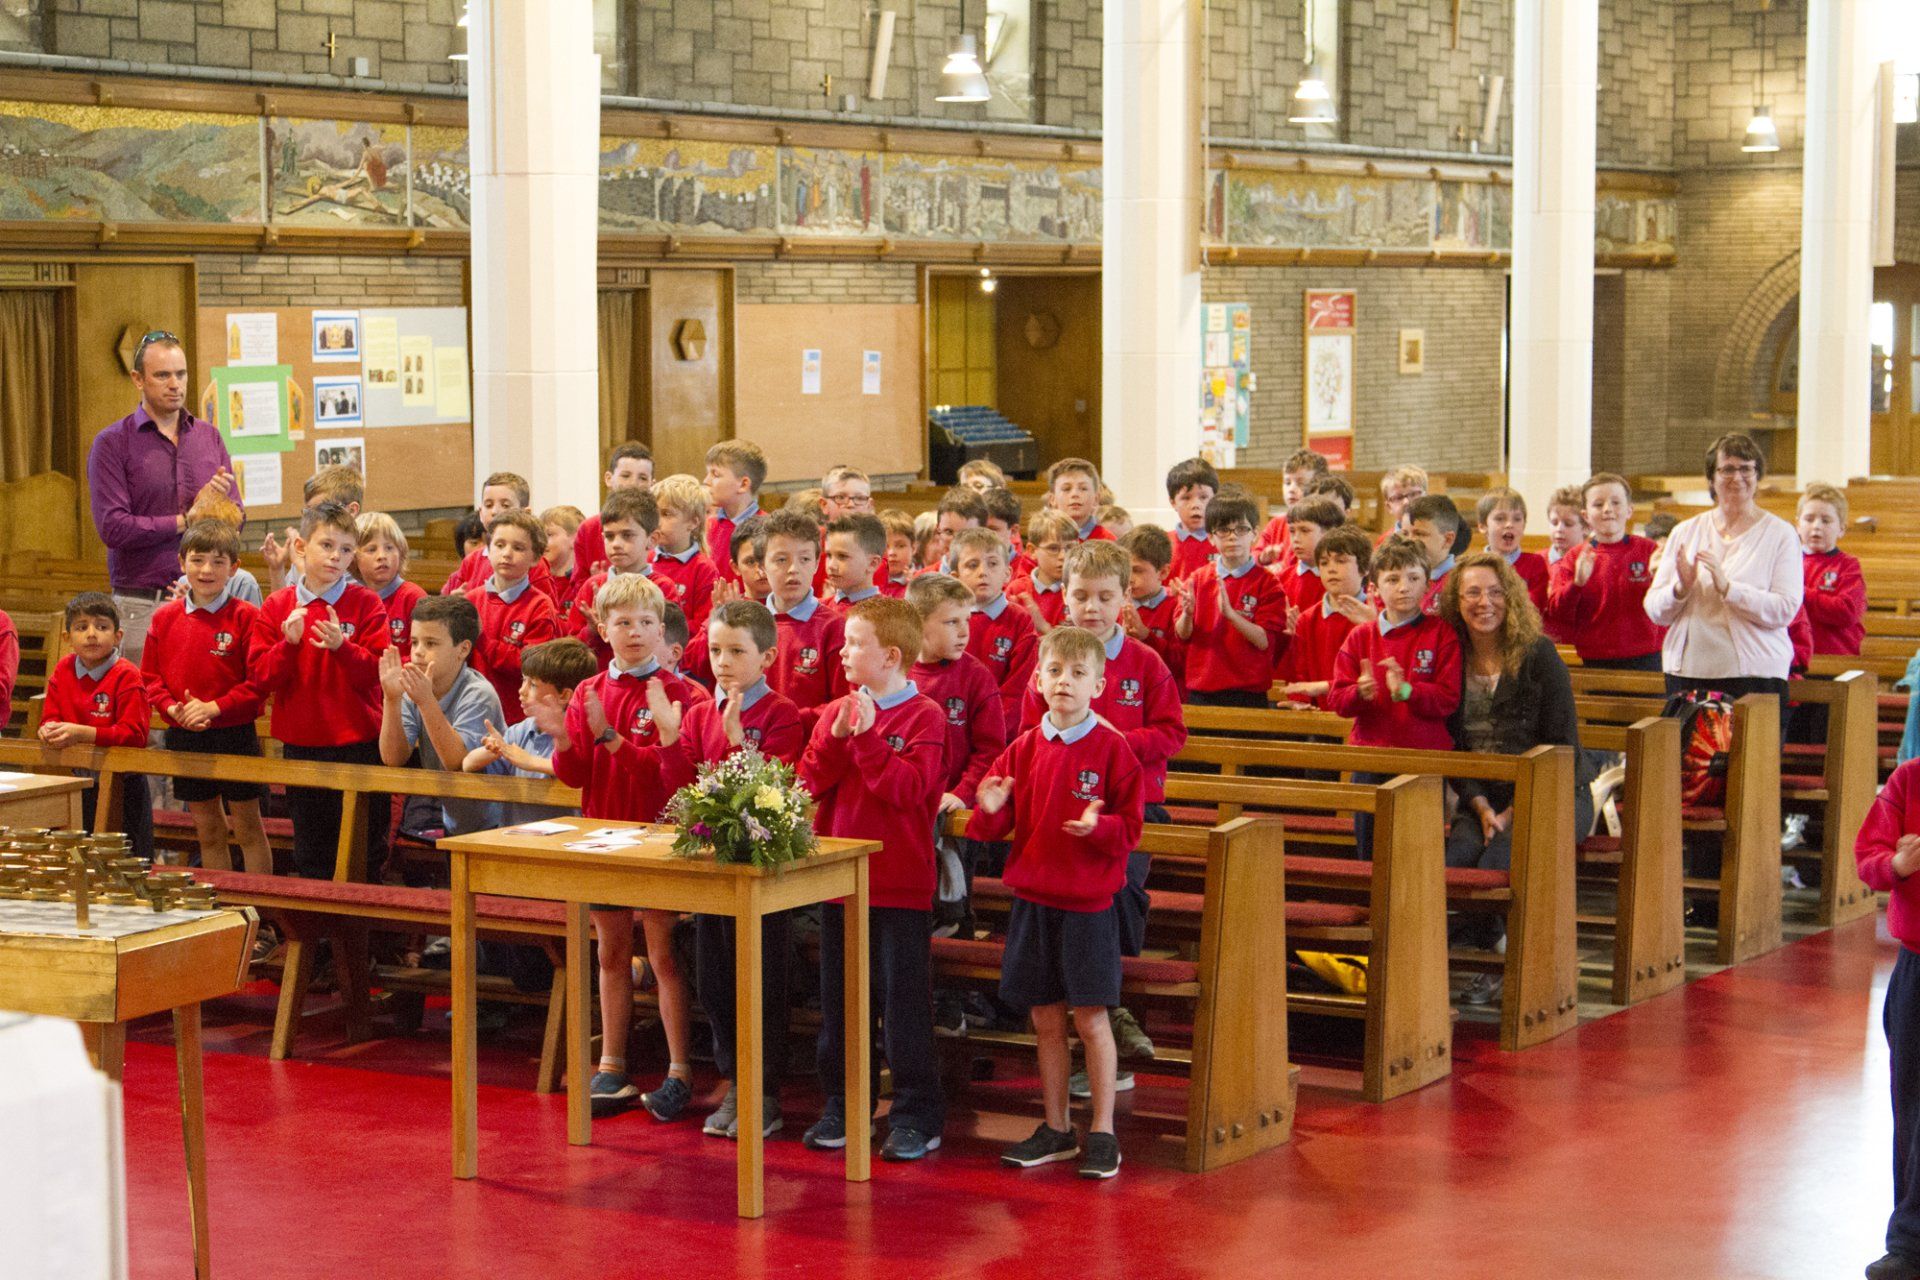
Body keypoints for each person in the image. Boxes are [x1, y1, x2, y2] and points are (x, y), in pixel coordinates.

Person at [968, 624, 1144, 1181]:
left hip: (1088, 906)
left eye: (1077, 673)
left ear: (1099, 685)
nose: (1064, 681)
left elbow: (1131, 828)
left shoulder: (1113, 749)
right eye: (1054, 671)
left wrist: (1099, 828)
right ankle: (1057, 1127)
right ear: (1038, 682)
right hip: (1033, 901)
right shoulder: (1022, 748)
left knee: (1091, 1018)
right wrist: (990, 809)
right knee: (1045, 1018)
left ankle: (1103, 1131)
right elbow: (990, 827)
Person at [1019, 540, 1184, 1089]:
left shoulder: (1144, 662)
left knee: (1119, 899)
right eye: (1081, 595)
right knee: (1060, 918)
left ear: (1124, 598)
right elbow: (1028, 733)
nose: (1092, 607)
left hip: (1132, 809)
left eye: (1105, 597)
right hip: (1060, 814)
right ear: (1063, 597)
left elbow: (1172, 733)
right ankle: (1091, 1027)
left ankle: (1108, 1017)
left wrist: (1113, 743)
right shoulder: (1051, 661)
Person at [798, 596, 947, 1163]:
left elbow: (907, 791)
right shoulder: (839, 709)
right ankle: (845, 1103)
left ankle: (916, 1114)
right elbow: (809, 782)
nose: (842, 652)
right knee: (841, 1006)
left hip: (898, 884)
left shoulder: (925, 716)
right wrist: (839, 736)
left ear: (890, 656)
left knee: (903, 1006)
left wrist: (864, 738)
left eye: (855, 643)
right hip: (840, 882)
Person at [654, 600, 807, 1140]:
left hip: (762, 874)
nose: (722, 661)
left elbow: (774, 793)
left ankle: (763, 1091)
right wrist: (669, 737)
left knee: (760, 982)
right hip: (712, 871)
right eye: (716, 650)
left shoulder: (782, 714)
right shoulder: (699, 714)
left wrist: (740, 741)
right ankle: (734, 1081)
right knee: (716, 981)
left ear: (766, 657)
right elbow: (683, 789)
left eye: (736, 651)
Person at [551, 574, 701, 1123]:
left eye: (645, 623)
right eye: (622, 622)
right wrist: (562, 738)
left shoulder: (683, 694)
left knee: (663, 956)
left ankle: (679, 1071)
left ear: (661, 630)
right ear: (602, 627)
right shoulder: (589, 691)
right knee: (610, 954)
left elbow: (674, 781)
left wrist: (613, 739)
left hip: (661, 842)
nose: (634, 632)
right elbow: (575, 775)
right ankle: (611, 1066)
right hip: (605, 839)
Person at [1438, 553, 1589, 1005]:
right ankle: (1497, 953)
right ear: (1456, 601)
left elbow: (1561, 745)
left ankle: (1519, 964)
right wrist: (1482, 806)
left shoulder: (1538, 654)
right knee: (1452, 867)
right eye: (1472, 593)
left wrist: (1511, 811)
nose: (1484, 602)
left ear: (1511, 598)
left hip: (1552, 791)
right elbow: (1453, 746)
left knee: (1496, 868)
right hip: (1482, 796)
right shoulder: (1452, 657)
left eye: (1495, 592)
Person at [250, 501, 390, 881]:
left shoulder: (366, 603)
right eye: (326, 545)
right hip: (303, 745)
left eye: (345, 550)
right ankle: (318, 920)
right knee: (312, 852)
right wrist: (288, 646)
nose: (335, 557)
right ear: (301, 547)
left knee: (364, 850)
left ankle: (363, 920)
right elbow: (260, 678)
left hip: (358, 744)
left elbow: (377, 674)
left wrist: (342, 648)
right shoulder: (278, 604)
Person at [87, 330, 239, 660]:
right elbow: (113, 528)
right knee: (139, 694)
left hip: (208, 601)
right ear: (138, 379)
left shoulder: (209, 437)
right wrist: (187, 521)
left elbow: (237, 519)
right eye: (163, 375)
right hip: (142, 604)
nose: (175, 384)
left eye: (181, 374)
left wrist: (218, 510)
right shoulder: (112, 443)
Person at [140, 519, 270, 873]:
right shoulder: (164, 618)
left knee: (248, 829)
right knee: (209, 831)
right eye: (197, 560)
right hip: (185, 734)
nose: (206, 570)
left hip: (235, 735)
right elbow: (150, 678)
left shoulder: (247, 617)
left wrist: (214, 707)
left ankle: (257, 902)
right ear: (182, 563)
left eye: (217, 561)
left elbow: (258, 683)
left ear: (234, 567)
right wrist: (172, 709)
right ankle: (218, 902)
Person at [1327, 538, 1462, 857]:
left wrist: (1407, 691)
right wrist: (1359, 692)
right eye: (1392, 579)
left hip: (1424, 758)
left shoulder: (1441, 633)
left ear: (1427, 584)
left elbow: (1449, 697)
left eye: (1414, 578)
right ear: (1374, 588)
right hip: (1372, 757)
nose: (1404, 587)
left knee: (1420, 853)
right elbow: (1337, 699)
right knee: (1370, 850)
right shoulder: (1360, 637)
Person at [1644, 433, 1802, 705]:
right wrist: (1681, 588)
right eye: (1727, 469)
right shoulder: (1685, 531)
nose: (1737, 477)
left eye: (1746, 469)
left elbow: (1784, 609)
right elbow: (1655, 610)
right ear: (1711, 478)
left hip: (1754, 674)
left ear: (1757, 475)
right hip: (1688, 672)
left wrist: (1729, 589)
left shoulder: (1780, 534)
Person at [1853, 759, 1920, 1280]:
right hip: (1917, 964)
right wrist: (1896, 864)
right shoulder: (1910, 779)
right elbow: (1867, 855)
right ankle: (1910, 1244)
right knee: (1912, 1106)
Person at [378, 595, 501, 838]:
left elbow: (456, 762)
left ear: (463, 649)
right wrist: (392, 699)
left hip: (494, 823)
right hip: (452, 818)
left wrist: (426, 701)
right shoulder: (415, 689)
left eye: (431, 643)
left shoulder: (478, 694)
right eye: (414, 642)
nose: (418, 652)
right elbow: (393, 758)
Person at [40, 593, 152, 855]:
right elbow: (50, 717)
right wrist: (48, 729)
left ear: (118, 636)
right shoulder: (63, 669)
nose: (92, 634)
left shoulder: (127, 675)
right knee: (78, 856)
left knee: (125, 858)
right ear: (67, 637)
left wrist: (82, 733)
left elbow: (134, 735)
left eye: (102, 627)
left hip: (124, 785)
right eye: (82, 627)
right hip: (77, 780)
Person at [463, 637, 598, 829]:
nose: (521, 691)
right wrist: (492, 751)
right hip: (514, 838)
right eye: (523, 680)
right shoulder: (522, 730)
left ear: (564, 695)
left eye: (532, 684)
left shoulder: (584, 734)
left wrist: (530, 762)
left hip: (566, 841)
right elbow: (467, 764)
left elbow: (580, 772)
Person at [1173, 491, 1289, 707]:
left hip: (1248, 692)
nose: (1233, 537)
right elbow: (1182, 633)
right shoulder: (1197, 579)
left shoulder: (1268, 583)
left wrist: (1231, 615)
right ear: (1211, 537)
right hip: (1202, 690)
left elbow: (1264, 641)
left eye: (1241, 529)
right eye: (1223, 530)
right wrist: (1187, 614)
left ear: (1255, 534)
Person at [1544, 473, 1665, 671]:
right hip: (1595, 660)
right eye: (1598, 504)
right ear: (1585, 515)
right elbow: (1558, 614)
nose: (1608, 509)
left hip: (1648, 657)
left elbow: (1669, 604)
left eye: (1616, 503)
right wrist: (1576, 584)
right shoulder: (1575, 557)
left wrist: (1662, 578)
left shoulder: (1650, 551)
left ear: (1629, 510)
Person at [753, 509, 848, 733]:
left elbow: (843, 703)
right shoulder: (749, 624)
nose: (794, 569)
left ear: (816, 563)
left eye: (804, 559)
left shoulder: (834, 627)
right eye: (781, 560)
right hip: (754, 743)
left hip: (811, 743)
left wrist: (788, 721)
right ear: (761, 566)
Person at [465, 509, 559, 722]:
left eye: (518, 548)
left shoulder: (540, 606)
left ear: (535, 558)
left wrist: (483, 641)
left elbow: (530, 666)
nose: (507, 553)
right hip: (473, 711)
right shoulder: (471, 600)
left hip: (517, 717)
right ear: (488, 549)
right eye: (499, 545)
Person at [1281, 525, 1374, 706]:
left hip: (1366, 714)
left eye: (1340, 561)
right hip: (1320, 716)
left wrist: (1374, 626)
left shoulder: (1377, 614)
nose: (1331, 569)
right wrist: (1300, 702)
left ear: (1364, 568)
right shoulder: (1307, 619)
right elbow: (1300, 674)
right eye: (1324, 563)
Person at [570, 489, 661, 668]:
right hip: (598, 679)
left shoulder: (662, 587)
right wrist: (592, 630)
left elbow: (664, 643)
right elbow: (571, 650)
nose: (616, 544)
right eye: (609, 536)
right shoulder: (592, 587)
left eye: (627, 535)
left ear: (652, 539)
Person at [955, 525, 1038, 721]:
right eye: (972, 565)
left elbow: (1017, 690)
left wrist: (990, 727)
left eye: (992, 564)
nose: (983, 572)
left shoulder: (1020, 621)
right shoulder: (947, 618)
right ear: (955, 577)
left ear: (1007, 573)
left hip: (999, 727)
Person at [261, 465, 363, 592]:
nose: (315, 519)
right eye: (310, 512)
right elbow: (282, 602)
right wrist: (277, 569)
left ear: (352, 510)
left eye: (324, 510)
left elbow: (327, 598)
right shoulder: (310, 549)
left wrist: (300, 564)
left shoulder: (366, 556)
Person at [1797, 483, 1865, 659]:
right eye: (1809, 519)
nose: (1816, 526)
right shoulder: (1787, 561)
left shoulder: (1848, 566)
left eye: (1826, 521)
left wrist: (1799, 593)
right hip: (1793, 656)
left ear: (1841, 529)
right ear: (1798, 525)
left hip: (1835, 657)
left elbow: (1847, 612)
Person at [572, 443, 654, 581]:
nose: (633, 484)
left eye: (643, 478)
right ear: (609, 479)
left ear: (652, 483)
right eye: (625, 476)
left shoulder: (661, 527)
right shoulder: (589, 529)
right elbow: (579, 583)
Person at [649, 474, 719, 634]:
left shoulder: (704, 569)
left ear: (693, 522)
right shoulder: (646, 560)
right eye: (654, 513)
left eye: (666, 514)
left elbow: (703, 625)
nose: (657, 522)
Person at [355, 512, 426, 665]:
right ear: (354, 559)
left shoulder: (413, 597)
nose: (382, 556)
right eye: (371, 549)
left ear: (401, 552)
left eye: (389, 548)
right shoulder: (353, 600)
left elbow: (423, 654)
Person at [1119, 525, 1185, 690]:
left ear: (1163, 572)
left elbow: (1180, 663)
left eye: (1137, 570)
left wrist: (1146, 636)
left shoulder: (1175, 606)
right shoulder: (1115, 605)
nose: (1129, 578)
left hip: (1165, 692)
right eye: (1124, 570)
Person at [1475, 487, 1549, 616]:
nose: (1509, 524)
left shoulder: (1535, 563)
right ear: (1483, 526)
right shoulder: (1473, 567)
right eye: (1500, 518)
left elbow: (1535, 607)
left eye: (1517, 519)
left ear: (1523, 526)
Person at [1255, 448, 1331, 570]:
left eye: (1301, 483)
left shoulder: (1322, 527)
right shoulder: (1276, 524)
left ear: (1319, 488)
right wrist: (1262, 558)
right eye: (1287, 482)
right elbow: (1254, 556)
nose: (1291, 489)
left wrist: (1282, 571)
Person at [704, 441, 767, 586]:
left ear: (743, 484)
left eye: (715, 474)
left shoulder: (769, 529)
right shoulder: (706, 527)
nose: (706, 481)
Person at [1009, 511, 1074, 633]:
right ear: (1032, 551)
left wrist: (1044, 627)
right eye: (1053, 548)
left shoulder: (1079, 592)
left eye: (1070, 548)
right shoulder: (1017, 590)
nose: (1063, 556)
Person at [1404, 495, 1466, 614]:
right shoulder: (1401, 580)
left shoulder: (1459, 584)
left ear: (1447, 539)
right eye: (1405, 534)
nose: (1409, 541)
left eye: (1419, 534)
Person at [1164, 457, 1220, 583]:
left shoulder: (1224, 542)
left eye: (1203, 497)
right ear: (1173, 502)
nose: (1196, 505)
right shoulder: (1162, 544)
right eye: (1186, 498)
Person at [822, 513, 887, 610]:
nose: (831, 565)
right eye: (829, 555)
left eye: (842, 556)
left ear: (872, 563)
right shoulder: (818, 608)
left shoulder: (888, 613)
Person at [1043, 458, 1112, 543]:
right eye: (1066, 489)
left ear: (1096, 498)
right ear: (1052, 499)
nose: (1075, 494)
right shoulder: (1042, 538)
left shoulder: (1108, 541)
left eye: (1083, 488)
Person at [539, 504, 588, 621]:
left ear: (575, 538)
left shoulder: (582, 584)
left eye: (549, 535)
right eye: (539, 536)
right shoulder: (538, 581)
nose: (540, 541)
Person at [931, 487, 990, 572]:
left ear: (984, 535)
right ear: (938, 530)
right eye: (948, 532)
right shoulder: (921, 578)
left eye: (965, 534)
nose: (955, 542)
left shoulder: (995, 578)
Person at [1376, 465, 1428, 543]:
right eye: (1398, 498)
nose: (1406, 502)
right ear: (1389, 507)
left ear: (1426, 497)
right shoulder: (1384, 542)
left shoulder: (1441, 535)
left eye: (1413, 494)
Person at [1545, 485, 1586, 567]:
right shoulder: (1538, 561)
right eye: (1554, 523)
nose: (1559, 529)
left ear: (1586, 527)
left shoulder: (1594, 560)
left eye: (1568, 524)